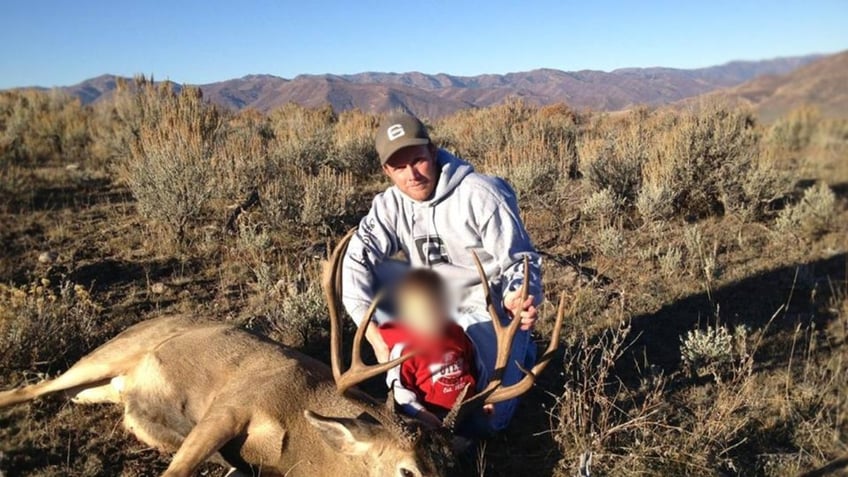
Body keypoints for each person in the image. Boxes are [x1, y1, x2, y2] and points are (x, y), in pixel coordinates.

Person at [342, 112, 542, 431]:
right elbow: (354, 262)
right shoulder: (388, 207)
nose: (412, 175)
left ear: (433, 152)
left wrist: (520, 295)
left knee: (487, 421)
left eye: (418, 160)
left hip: (485, 311)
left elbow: (521, 261)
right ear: (386, 171)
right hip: (431, 313)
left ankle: (522, 351)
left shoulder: (480, 194)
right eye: (399, 167)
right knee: (405, 405)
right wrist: (376, 339)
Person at [379, 269, 478, 430]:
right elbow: (401, 390)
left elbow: (476, 366)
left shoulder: (457, 334)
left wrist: (484, 397)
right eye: (422, 314)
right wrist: (420, 413)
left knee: (488, 427)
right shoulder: (404, 351)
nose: (431, 319)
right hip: (431, 417)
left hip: (467, 409)